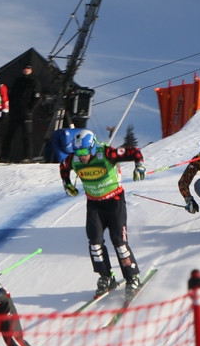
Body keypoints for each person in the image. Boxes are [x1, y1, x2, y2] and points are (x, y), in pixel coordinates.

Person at [59, 128, 146, 300]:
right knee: (95, 243)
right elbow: (63, 166)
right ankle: (106, 276)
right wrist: (67, 184)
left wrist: (139, 166)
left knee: (119, 242)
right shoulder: (74, 159)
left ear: (92, 147)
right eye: (77, 152)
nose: (81, 156)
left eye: (84, 151)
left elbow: (134, 152)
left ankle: (132, 277)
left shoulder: (106, 153)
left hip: (114, 202)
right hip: (94, 205)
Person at [4, 64, 41, 162]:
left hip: (26, 113)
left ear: (31, 70)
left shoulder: (34, 81)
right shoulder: (17, 81)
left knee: (26, 136)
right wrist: (11, 108)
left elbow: (37, 98)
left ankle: (27, 157)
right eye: (25, 68)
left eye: (28, 68)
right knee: (9, 134)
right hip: (15, 112)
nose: (26, 70)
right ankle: (4, 156)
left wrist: (30, 110)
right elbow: (11, 96)